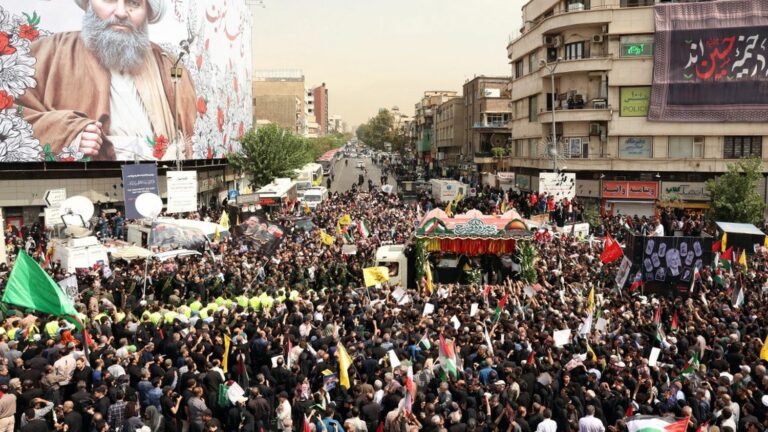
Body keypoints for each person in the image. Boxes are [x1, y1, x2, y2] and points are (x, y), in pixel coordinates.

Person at [16, 0, 197, 161]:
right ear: (89, 3)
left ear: (147, 11)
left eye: (134, 3)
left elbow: (191, 134)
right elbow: (12, 114)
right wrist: (70, 132)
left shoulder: (168, 64)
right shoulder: (51, 52)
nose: (121, 12)